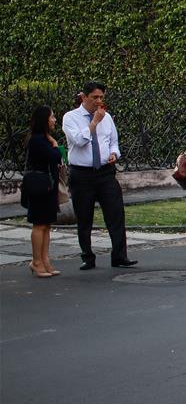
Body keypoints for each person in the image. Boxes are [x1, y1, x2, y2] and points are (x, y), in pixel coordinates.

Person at [62, 81, 137, 270]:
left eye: (101, 97)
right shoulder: (71, 117)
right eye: (95, 97)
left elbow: (113, 142)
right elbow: (79, 141)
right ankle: (87, 256)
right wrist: (94, 122)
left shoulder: (108, 118)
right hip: (82, 174)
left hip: (105, 173)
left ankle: (119, 255)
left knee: (116, 213)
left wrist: (114, 154)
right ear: (84, 97)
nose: (99, 101)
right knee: (84, 217)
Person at [24, 106, 61, 277]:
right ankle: (36, 261)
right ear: (44, 119)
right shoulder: (38, 140)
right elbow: (54, 157)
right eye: (52, 117)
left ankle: (45, 260)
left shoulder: (44, 138)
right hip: (40, 186)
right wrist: (55, 145)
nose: (54, 120)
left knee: (47, 224)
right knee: (39, 224)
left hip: (48, 185)